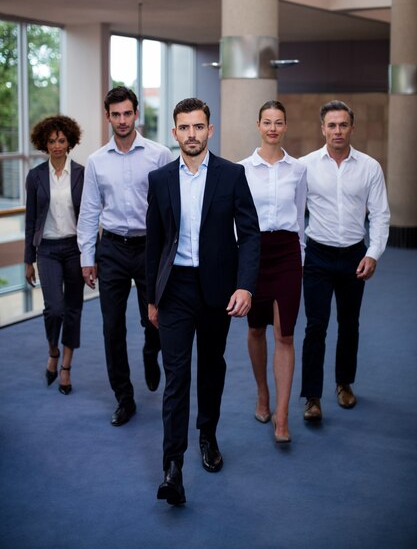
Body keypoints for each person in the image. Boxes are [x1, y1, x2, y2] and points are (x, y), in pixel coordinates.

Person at [146, 97, 260, 505]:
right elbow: (154, 244)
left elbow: (249, 235)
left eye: (198, 127)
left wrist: (245, 286)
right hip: (174, 289)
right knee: (176, 375)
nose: (191, 134)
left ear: (210, 130)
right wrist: (151, 299)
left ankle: (207, 435)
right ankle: (172, 466)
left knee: (211, 367)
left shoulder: (232, 175)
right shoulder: (159, 179)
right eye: (184, 127)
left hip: (217, 289)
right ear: (174, 132)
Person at [77, 86, 172, 426]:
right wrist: (87, 257)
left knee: (156, 320)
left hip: (150, 248)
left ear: (136, 114)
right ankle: (124, 397)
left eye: (127, 113)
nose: (121, 120)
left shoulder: (159, 155)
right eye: (115, 115)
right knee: (111, 327)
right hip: (113, 248)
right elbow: (89, 212)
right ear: (108, 117)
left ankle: (152, 350)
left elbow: (170, 208)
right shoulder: (97, 161)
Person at [299, 100, 390, 422]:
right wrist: (300, 253)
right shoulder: (306, 166)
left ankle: (344, 383)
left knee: (349, 324)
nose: (337, 131)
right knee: (315, 326)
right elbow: (296, 215)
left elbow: (380, 214)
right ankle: (312, 396)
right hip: (318, 256)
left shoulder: (370, 167)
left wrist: (372, 253)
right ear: (322, 128)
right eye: (332, 125)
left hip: (354, 255)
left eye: (343, 125)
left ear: (352, 127)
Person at [240, 100, 307, 443]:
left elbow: (299, 217)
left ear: (285, 126)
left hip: (286, 254)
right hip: (252, 253)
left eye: (278, 122)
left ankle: (282, 415)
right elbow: (236, 220)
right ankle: (262, 392)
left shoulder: (297, 170)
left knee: (285, 334)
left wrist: (302, 257)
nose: (272, 128)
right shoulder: (241, 169)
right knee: (255, 329)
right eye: (267, 122)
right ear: (258, 124)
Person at [24, 115, 85, 395]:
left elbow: (90, 215)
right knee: (55, 309)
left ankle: (66, 367)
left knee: (73, 310)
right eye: (51, 141)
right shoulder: (35, 175)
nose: (57, 146)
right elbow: (30, 219)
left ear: (70, 142)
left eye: (61, 140)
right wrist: (28, 259)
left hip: (75, 249)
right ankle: (52, 350)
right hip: (47, 249)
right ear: (44, 144)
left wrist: (90, 258)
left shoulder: (82, 174)